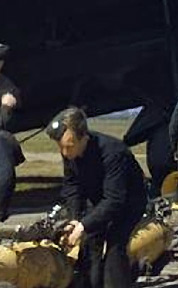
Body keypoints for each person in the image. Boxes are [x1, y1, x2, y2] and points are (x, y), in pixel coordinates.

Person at [48, 107, 147, 288]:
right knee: (89, 247)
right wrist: (75, 218)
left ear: (83, 136)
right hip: (100, 200)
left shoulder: (114, 153)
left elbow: (115, 199)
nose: (64, 153)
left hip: (128, 203)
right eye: (60, 147)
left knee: (115, 247)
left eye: (68, 146)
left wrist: (84, 225)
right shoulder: (70, 151)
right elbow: (72, 186)